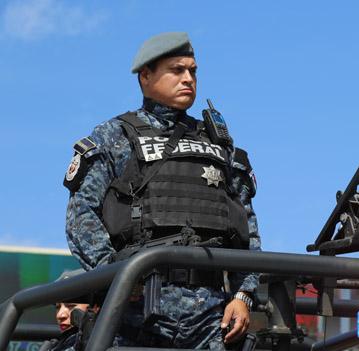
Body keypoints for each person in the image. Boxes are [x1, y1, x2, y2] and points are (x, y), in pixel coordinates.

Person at [63, 32, 260, 350]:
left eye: (193, 71)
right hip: (133, 316)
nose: (188, 79)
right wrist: (116, 277)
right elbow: (81, 215)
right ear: (145, 76)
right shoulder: (115, 136)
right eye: (177, 70)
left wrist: (243, 295)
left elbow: (245, 223)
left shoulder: (218, 144)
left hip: (211, 319)